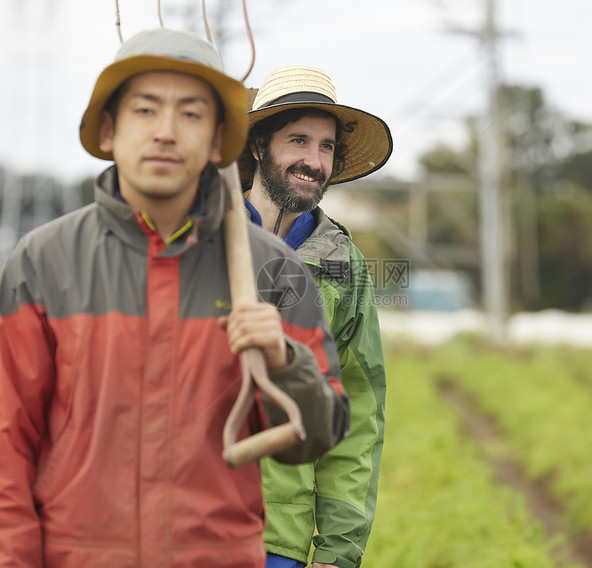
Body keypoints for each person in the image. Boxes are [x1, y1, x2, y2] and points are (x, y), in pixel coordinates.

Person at [0, 30, 349, 568]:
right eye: (145, 110)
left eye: (191, 114)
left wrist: (285, 363)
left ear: (218, 144)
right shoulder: (43, 264)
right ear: (108, 131)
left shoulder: (276, 271)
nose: (166, 132)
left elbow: (318, 434)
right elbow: (1, 453)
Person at [238, 66, 392, 568]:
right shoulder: (199, 239)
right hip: (188, 524)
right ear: (258, 146)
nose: (313, 160)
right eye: (299, 140)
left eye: (326, 146)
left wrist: (338, 548)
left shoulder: (343, 266)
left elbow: (359, 414)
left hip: (280, 538)